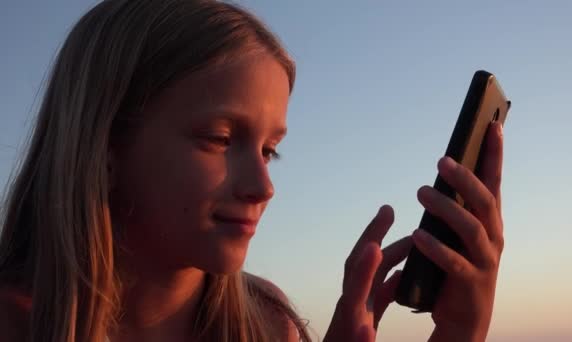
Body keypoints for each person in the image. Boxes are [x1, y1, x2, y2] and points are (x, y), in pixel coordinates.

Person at [0, 0, 505, 341]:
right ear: (104, 147)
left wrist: (461, 330)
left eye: (268, 151)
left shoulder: (267, 324)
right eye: (220, 139)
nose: (263, 187)